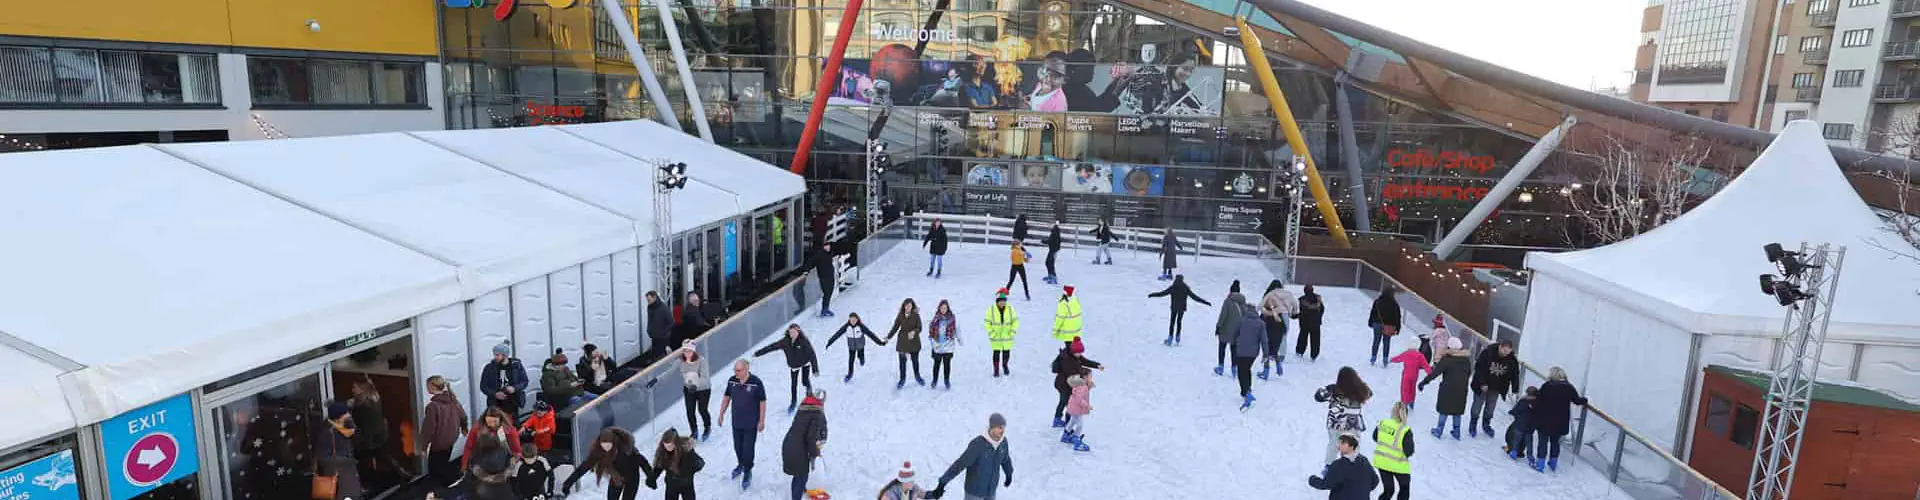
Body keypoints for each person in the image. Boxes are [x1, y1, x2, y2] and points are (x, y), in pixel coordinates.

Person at [925, 414, 1013, 500]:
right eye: (1000, 428)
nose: (1002, 431)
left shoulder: (1003, 443)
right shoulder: (978, 445)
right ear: (992, 427)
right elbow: (960, 464)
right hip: (974, 493)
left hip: (990, 492)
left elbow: (1006, 460)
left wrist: (1009, 474)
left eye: (1004, 428)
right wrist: (942, 483)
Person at [716, 360, 768, 489]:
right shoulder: (732, 381)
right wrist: (721, 413)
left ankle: (748, 470)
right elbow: (727, 397)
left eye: (738, 370)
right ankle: (741, 464)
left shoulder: (756, 383)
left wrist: (761, 420)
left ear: (746, 369)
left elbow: (762, 402)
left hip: (751, 423)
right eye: (735, 370)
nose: (736, 373)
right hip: (736, 422)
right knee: (738, 447)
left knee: (748, 449)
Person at [561, 427, 650, 500]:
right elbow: (584, 467)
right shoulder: (598, 451)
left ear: (613, 442)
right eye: (603, 444)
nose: (606, 447)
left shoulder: (625, 449)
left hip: (632, 477)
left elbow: (642, 461)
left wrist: (651, 477)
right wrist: (568, 483)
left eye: (608, 444)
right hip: (616, 477)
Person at [753, 324, 821, 414]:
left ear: (798, 332)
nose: (792, 334)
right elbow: (772, 347)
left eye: (794, 332)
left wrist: (815, 369)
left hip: (805, 362)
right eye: (791, 332)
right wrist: (758, 353)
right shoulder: (785, 341)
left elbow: (812, 354)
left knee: (804, 381)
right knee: (794, 385)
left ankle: (809, 391)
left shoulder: (803, 341)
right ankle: (793, 402)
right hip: (794, 365)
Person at [1532, 367, 1589, 473]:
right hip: (1560, 421)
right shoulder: (1569, 387)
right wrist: (1585, 400)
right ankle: (1553, 462)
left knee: (1543, 441)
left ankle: (1540, 464)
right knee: (1555, 442)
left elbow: (1538, 401)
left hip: (1544, 419)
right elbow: (1577, 401)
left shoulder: (1547, 386)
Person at [1314, 367, 1373, 463]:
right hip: (1353, 424)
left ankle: (1329, 468)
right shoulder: (1361, 389)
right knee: (1352, 448)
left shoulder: (1334, 389)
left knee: (1333, 447)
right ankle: (1351, 468)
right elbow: (1370, 394)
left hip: (1336, 424)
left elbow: (1318, 397)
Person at [1417, 337, 1472, 440]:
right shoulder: (1466, 360)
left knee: (1444, 410)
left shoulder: (1447, 360)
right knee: (1457, 411)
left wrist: (1424, 382)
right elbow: (1469, 373)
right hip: (1461, 390)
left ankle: (1439, 430)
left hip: (1447, 389)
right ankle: (1456, 432)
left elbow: (1435, 373)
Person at [421, 375, 469, 486]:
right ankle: (451, 478)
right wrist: (464, 428)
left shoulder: (433, 407)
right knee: (443, 461)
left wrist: (423, 446)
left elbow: (428, 429)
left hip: (439, 441)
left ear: (432, 387)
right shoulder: (453, 400)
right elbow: (463, 416)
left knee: (434, 467)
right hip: (451, 438)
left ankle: (451, 480)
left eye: (427, 385)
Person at [347, 379, 394, 493]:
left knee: (363, 463)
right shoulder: (375, 398)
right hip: (379, 435)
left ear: (362, 389)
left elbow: (358, 423)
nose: (352, 389)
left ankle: (364, 487)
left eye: (355, 387)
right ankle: (403, 474)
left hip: (368, 439)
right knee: (383, 456)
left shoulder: (362, 406)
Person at [783, 390, 829, 500]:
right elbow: (811, 438)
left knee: (798, 474)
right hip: (798, 449)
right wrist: (815, 454)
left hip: (789, 444)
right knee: (802, 476)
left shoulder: (803, 410)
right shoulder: (816, 414)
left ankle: (801, 489)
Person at [1471, 340, 1522, 439]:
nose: (1505, 353)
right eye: (1504, 351)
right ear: (1500, 347)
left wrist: (1515, 388)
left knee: (1490, 408)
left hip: (1496, 388)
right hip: (1482, 386)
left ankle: (1486, 424)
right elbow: (1479, 368)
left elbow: (1515, 375)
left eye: (1508, 351)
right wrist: (1482, 383)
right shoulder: (1488, 353)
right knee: (1477, 405)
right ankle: (1473, 424)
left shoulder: (1512, 360)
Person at [1050, 337, 1104, 428]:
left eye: (1081, 352)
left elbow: (1085, 361)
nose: (1080, 354)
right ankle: (1067, 425)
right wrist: (1086, 382)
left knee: (1063, 402)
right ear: (1073, 351)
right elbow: (1072, 376)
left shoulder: (1074, 355)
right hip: (1064, 385)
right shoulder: (1068, 360)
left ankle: (1057, 420)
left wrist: (1097, 365)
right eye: (1078, 352)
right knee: (1069, 404)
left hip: (1065, 383)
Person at [1307, 434, 1379, 500]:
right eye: (1339, 443)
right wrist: (1362, 490)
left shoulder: (1339, 465)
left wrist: (1312, 479)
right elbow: (1375, 481)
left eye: (1343, 443)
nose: (1339, 446)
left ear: (1351, 446)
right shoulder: (1364, 461)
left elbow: (1326, 484)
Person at [1147, 274, 1211, 346]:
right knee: (1179, 322)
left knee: (1172, 322)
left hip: (1174, 307)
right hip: (1182, 308)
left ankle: (1170, 338)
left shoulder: (1173, 287)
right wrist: (1206, 302)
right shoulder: (1185, 288)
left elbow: (1162, 293)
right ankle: (1177, 337)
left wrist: (1152, 294)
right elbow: (1195, 297)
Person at [317, 401, 363, 500]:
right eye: (346, 414)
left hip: (349, 474)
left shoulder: (345, 428)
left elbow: (358, 442)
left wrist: (353, 429)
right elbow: (323, 458)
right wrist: (345, 461)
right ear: (338, 417)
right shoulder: (327, 433)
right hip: (338, 477)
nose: (349, 415)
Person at [825, 313, 887, 382]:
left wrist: (880, 343)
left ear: (857, 319)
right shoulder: (846, 327)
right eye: (851, 320)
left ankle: (862, 359)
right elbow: (837, 334)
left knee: (860, 355)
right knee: (851, 361)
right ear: (849, 320)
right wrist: (829, 342)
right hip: (851, 347)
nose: (853, 321)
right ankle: (850, 374)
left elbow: (871, 334)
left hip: (860, 345)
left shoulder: (861, 327)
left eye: (854, 320)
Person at [1372, 402, 1415, 500]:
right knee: (1404, 489)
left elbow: (1375, 437)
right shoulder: (1405, 429)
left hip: (1382, 462)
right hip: (1399, 465)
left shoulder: (1383, 423)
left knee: (1388, 490)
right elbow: (1409, 451)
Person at [1258, 280, 1298, 380]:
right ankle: (1280, 359)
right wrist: (1293, 312)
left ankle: (1266, 371)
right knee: (1281, 339)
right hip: (1283, 318)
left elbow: (1260, 307)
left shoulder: (1270, 295)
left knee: (1266, 346)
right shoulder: (1288, 294)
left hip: (1270, 321)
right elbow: (1295, 304)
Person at [1230, 295, 1265, 409]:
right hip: (1253, 353)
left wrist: (1234, 342)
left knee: (1241, 371)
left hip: (1241, 351)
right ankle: (1248, 388)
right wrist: (1266, 354)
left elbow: (1235, 333)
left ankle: (1246, 392)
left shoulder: (1242, 320)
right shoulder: (1261, 323)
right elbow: (1264, 339)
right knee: (1247, 369)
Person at [649, 429, 705, 500]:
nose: (668, 448)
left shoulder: (686, 451)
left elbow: (700, 463)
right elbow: (659, 466)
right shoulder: (663, 452)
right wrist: (653, 478)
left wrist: (690, 471)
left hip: (686, 484)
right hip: (671, 484)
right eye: (665, 445)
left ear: (676, 443)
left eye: (670, 445)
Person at [885, 298, 928, 388]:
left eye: (910, 306)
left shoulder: (916, 315)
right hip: (903, 342)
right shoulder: (900, 315)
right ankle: (902, 379)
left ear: (912, 306)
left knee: (915, 361)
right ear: (904, 306)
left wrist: (914, 332)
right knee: (902, 362)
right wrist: (888, 337)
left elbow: (919, 327)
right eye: (906, 306)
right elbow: (895, 327)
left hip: (914, 342)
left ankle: (917, 377)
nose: (908, 307)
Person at [676, 342, 715, 442]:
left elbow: (705, 377)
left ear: (693, 351)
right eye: (685, 350)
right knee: (690, 411)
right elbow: (673, 371)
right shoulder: (681, 361)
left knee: (702, 409)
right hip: (689, 389)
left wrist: (695, 385)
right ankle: (694, 431)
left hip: (703, 389)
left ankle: (707, 427)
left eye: (689, 351)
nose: (687, 353)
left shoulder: (701, 361)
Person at [480, 343, 529, 414]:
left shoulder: (516, 366)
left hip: (513, 404)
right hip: (495, 404)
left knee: (513, 424)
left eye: (497, 355)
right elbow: (483, 386)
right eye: (494, 355)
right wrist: (495, 394)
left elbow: (525, 381)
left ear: (505, 355)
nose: (495, 357)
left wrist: (514, 388)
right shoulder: (489, 368)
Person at [1212, 280, 1247, 376]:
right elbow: (1245, 315)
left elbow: (1223, 315)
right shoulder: (1243, 301)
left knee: (1222, 347)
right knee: (1234, 349)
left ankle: (1220, 367)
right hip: (1238, 331)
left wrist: (1218, 326)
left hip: (1226, 329)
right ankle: (1234, 369)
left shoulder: (1228, 301)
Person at [1388, 338, 1432, 412]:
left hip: (1406, 375)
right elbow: (1426, 366)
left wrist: (1392, 359)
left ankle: (1404, 404)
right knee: (1412, 388)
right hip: (1414, 375)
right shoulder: (1420, 356)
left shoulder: (1406, 354)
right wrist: (1431, 374)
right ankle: (1412, 402)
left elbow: (1398, 358)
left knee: (1405, 389)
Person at [467, 434, 516, 500]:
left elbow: (475, 472)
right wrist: (504, 475)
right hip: (505, 486)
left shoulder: (477, 457)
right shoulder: (503, 450)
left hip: (487, 489)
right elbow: (512, 462)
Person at [984, 289, 1019, 377]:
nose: (1002, 303)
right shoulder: (991, 310)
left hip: (1007, 336)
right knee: (996, 353)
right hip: (996, 337)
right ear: (997, 302)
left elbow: (1015, 321)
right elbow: (987, 322)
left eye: (1004, 301)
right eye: (1000, 301)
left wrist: (1012, 331)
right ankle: (996, 369)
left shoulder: (1010, 309)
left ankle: (1005, 365)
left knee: (1006, 353)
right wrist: (991, 333)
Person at [928, 300, 961, 390]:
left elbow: (956, 329)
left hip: (948, 346)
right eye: (942, 308)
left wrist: (959, 339)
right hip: (937, 346)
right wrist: (932, 341)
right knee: (936, 364)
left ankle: (947, 380)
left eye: (945, 308)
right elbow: (930, 330)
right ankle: (934, 380)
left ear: (947, 308)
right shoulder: (935, 319)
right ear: (939, 308)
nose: (943, 309)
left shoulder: (952, 318)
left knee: (947, 365)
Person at [1061, 370, 1095, 452]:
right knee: (1080, 424)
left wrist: (1089, 387)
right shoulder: (1082, 387)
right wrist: (1087, 406)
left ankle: (1065, 435)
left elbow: (1080, 395)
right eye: (1090, 376)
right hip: (1077, 408)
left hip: (1073, 407)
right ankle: (1077, 441)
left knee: (1072, 421)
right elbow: (1079, 399)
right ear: (1085, 377)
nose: (1091, 378)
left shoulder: (1080, 384)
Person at [1367, 289, 1403, 367]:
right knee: (1386, 342)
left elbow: (1373, 312)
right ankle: (1385, 359)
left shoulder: (1377, 301)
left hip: (1377, 324)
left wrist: (1370, 322)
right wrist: (1398, 328)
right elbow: (1398, 317)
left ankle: (1373, 357)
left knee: (1376, 341)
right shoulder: (1394, 304)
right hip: (1389, 326)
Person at [1505, 386, 1539, 461]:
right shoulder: (1538, 404)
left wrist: (1512, 412)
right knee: (1527, 442)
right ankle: (1527, 455)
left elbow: (1517, 410)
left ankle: (1515, 452)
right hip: (1528, 427)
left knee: (1518, 440)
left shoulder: (1524, 401)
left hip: (1521, 426)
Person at [1293, 285, 1327, 361]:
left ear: (1305, 291)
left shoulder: (1301, 299)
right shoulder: (1318, 299)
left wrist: (1294, 316)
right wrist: (1319, 317)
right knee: (1315, 340)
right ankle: (1314, 355)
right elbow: (1322, 309)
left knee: (1303, 338)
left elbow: (1301, 312)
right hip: (1316, 323)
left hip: (1305, 323)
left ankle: (1300, 351)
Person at [813, 242, 841, 317]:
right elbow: (812, 262)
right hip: (824, 277)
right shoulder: (820, 255)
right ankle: (824, 309)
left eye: (828, 246)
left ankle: (826, 308)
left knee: (830, 292)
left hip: (830, 276)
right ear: (823, 247)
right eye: (826, 246)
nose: (828, 247)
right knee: (827, 292)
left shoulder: (830, 253)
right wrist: (806, 270)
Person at [646, 292, 674, 361]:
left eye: (649, 300)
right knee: (655, 356)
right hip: (654, 337)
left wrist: (663, 332)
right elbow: (650, 320)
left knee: (661, 357)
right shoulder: (650, 308)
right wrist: (649, 330)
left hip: (663, 338)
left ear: (654, 297)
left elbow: (671, 322)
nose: (648, 302)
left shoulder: (663, 308)